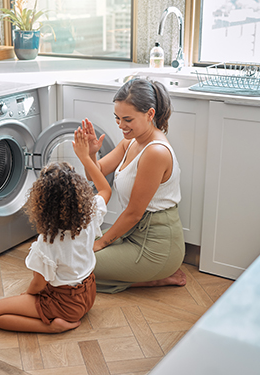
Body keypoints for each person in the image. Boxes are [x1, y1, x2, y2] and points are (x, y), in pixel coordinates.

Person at [0, 129, 111, 333]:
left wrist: (26, 296)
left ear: (43, 205)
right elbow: (105, 189)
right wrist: (86, 157)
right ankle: (57, 316)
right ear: (79, 194)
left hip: (66, 305)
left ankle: (51, 328)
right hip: (88, 295)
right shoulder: (90, 217)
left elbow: (38, 284)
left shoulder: (48, 241)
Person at [77, 78, 187, 294]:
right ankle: (143, 275)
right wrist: (90, 154)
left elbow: (134, 213)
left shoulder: (155, 152)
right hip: (131, 233)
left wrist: (100, 244)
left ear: (150, 114)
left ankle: (154, 277)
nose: (121, 125)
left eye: (127, 119)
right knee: (73, 251)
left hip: (155, 244)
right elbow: (94, 176)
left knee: (74, 268)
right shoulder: (131, 142)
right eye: (117, 118)